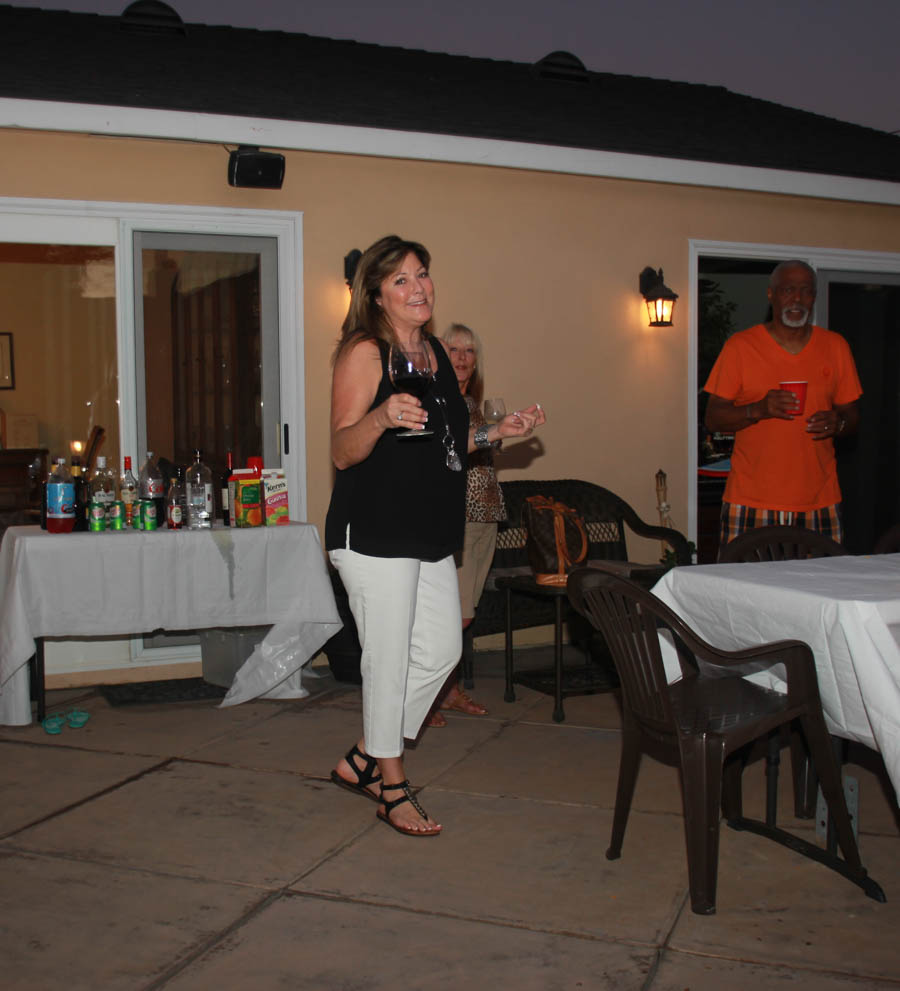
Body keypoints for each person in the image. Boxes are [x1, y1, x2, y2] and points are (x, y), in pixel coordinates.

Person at [326, 235, 544, 836]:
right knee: (389, 659)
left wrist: (502, 430)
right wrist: (380, 416)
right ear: (376, 292)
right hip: (372, 530)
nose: (418, 287)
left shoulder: (437, 356)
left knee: (442, 651)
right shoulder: (365, 353)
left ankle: (369, 751)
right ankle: (391, 786)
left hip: (426, 530)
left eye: (422, 274)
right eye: (401, 279)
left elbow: (453, 444)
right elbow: (343, 450)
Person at [427, 322, 544, 726]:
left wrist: (512, 426)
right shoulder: (437, 402)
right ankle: (431, 695)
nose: (462, 358)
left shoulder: (472, 402)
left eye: (469, 352)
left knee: (465, 612)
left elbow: (487, 443)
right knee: (449, 615)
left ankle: (449, 690)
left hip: (486, 515)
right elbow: (448, 452)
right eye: (454, 350)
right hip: (454, 518)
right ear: (441, 356)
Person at [704, 259, 861, 552]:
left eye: (806, 291)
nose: (797, 299)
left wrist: (837, 423)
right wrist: (757, 410)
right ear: (771, 294)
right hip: (751, 500)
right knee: (744, 593)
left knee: (821, 593)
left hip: (820, 501)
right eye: (788, 290)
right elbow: (713, 418)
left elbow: (853, 416)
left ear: (814, 297)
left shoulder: (835, 346)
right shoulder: (741, 347)